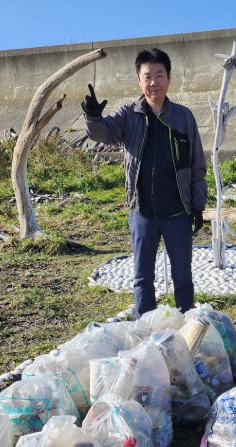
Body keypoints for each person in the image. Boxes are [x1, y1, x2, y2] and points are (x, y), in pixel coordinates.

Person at [82, 48, 207, 319]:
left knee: (183, 277)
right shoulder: (129, 114)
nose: (154, 82)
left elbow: (196, 164)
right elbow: (103, 132)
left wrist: (197, 206)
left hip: (178, 211)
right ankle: (144, 331)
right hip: (142, 213)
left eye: (159, 75)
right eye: (147, 76)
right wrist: (93, 117)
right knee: (142, 277)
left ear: (169, 78)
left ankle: (187, 327)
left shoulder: (183, 117)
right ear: (139, 81)